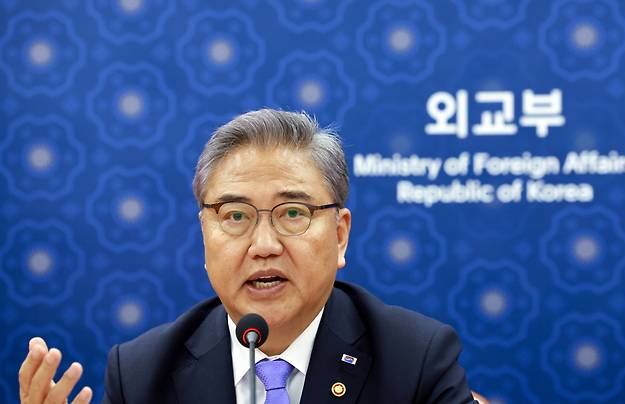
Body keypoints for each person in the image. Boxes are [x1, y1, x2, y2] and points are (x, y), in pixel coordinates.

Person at [18, 109, 477, 403]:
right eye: (235, 216)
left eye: (293, 213)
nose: (263, 245)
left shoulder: (414, 360)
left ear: (339, 236)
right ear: (204, 236)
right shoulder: (142, 374)